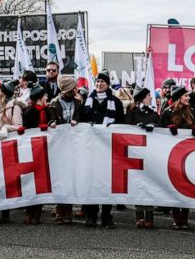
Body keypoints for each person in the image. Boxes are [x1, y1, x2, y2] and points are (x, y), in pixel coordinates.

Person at [78, 72, 124, 229]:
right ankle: (90, 216)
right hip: (90, 148)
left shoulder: (116, 102)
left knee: (106, 182)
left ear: (107, 84)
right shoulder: (86, 101)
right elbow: (80, 120)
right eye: (97, 82)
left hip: (108, 148)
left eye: (102, 82)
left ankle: (106, 216)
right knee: (90, 181)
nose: (99, 84)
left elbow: (120, 123)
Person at [160, 85, 195, 229]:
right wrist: (167, 129)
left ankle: (185, 217)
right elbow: (159, 131)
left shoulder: (192, 112)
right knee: (175, 185)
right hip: (173, 155)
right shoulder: (167, 113)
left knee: (187, 185)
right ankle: (176, 217)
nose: (188, 98)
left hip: (189, 154)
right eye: (186, 96)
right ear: (178, 98)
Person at [48, 75, 82, 225]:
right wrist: (52, 123)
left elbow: (82, 117)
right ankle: (59, 211)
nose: (77, 90)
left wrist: (78, 121)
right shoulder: (54, 103)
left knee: (70, 178)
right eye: (74, 87)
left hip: (74, 146)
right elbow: (50, 119)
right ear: (68, 89)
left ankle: (68, 211)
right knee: (60, 179)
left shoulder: (78, 102)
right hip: (60, 146)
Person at [20, 85, 52, 225]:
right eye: (45, 96)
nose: (47, 98)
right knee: (30, 181)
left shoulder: (49, 111)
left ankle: (37, 212)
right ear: (39, 98)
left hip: (46, 150)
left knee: (41, 181)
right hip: (31, 151)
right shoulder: (29, 112)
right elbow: (25, 129)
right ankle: (29, 211)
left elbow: (55, 122)